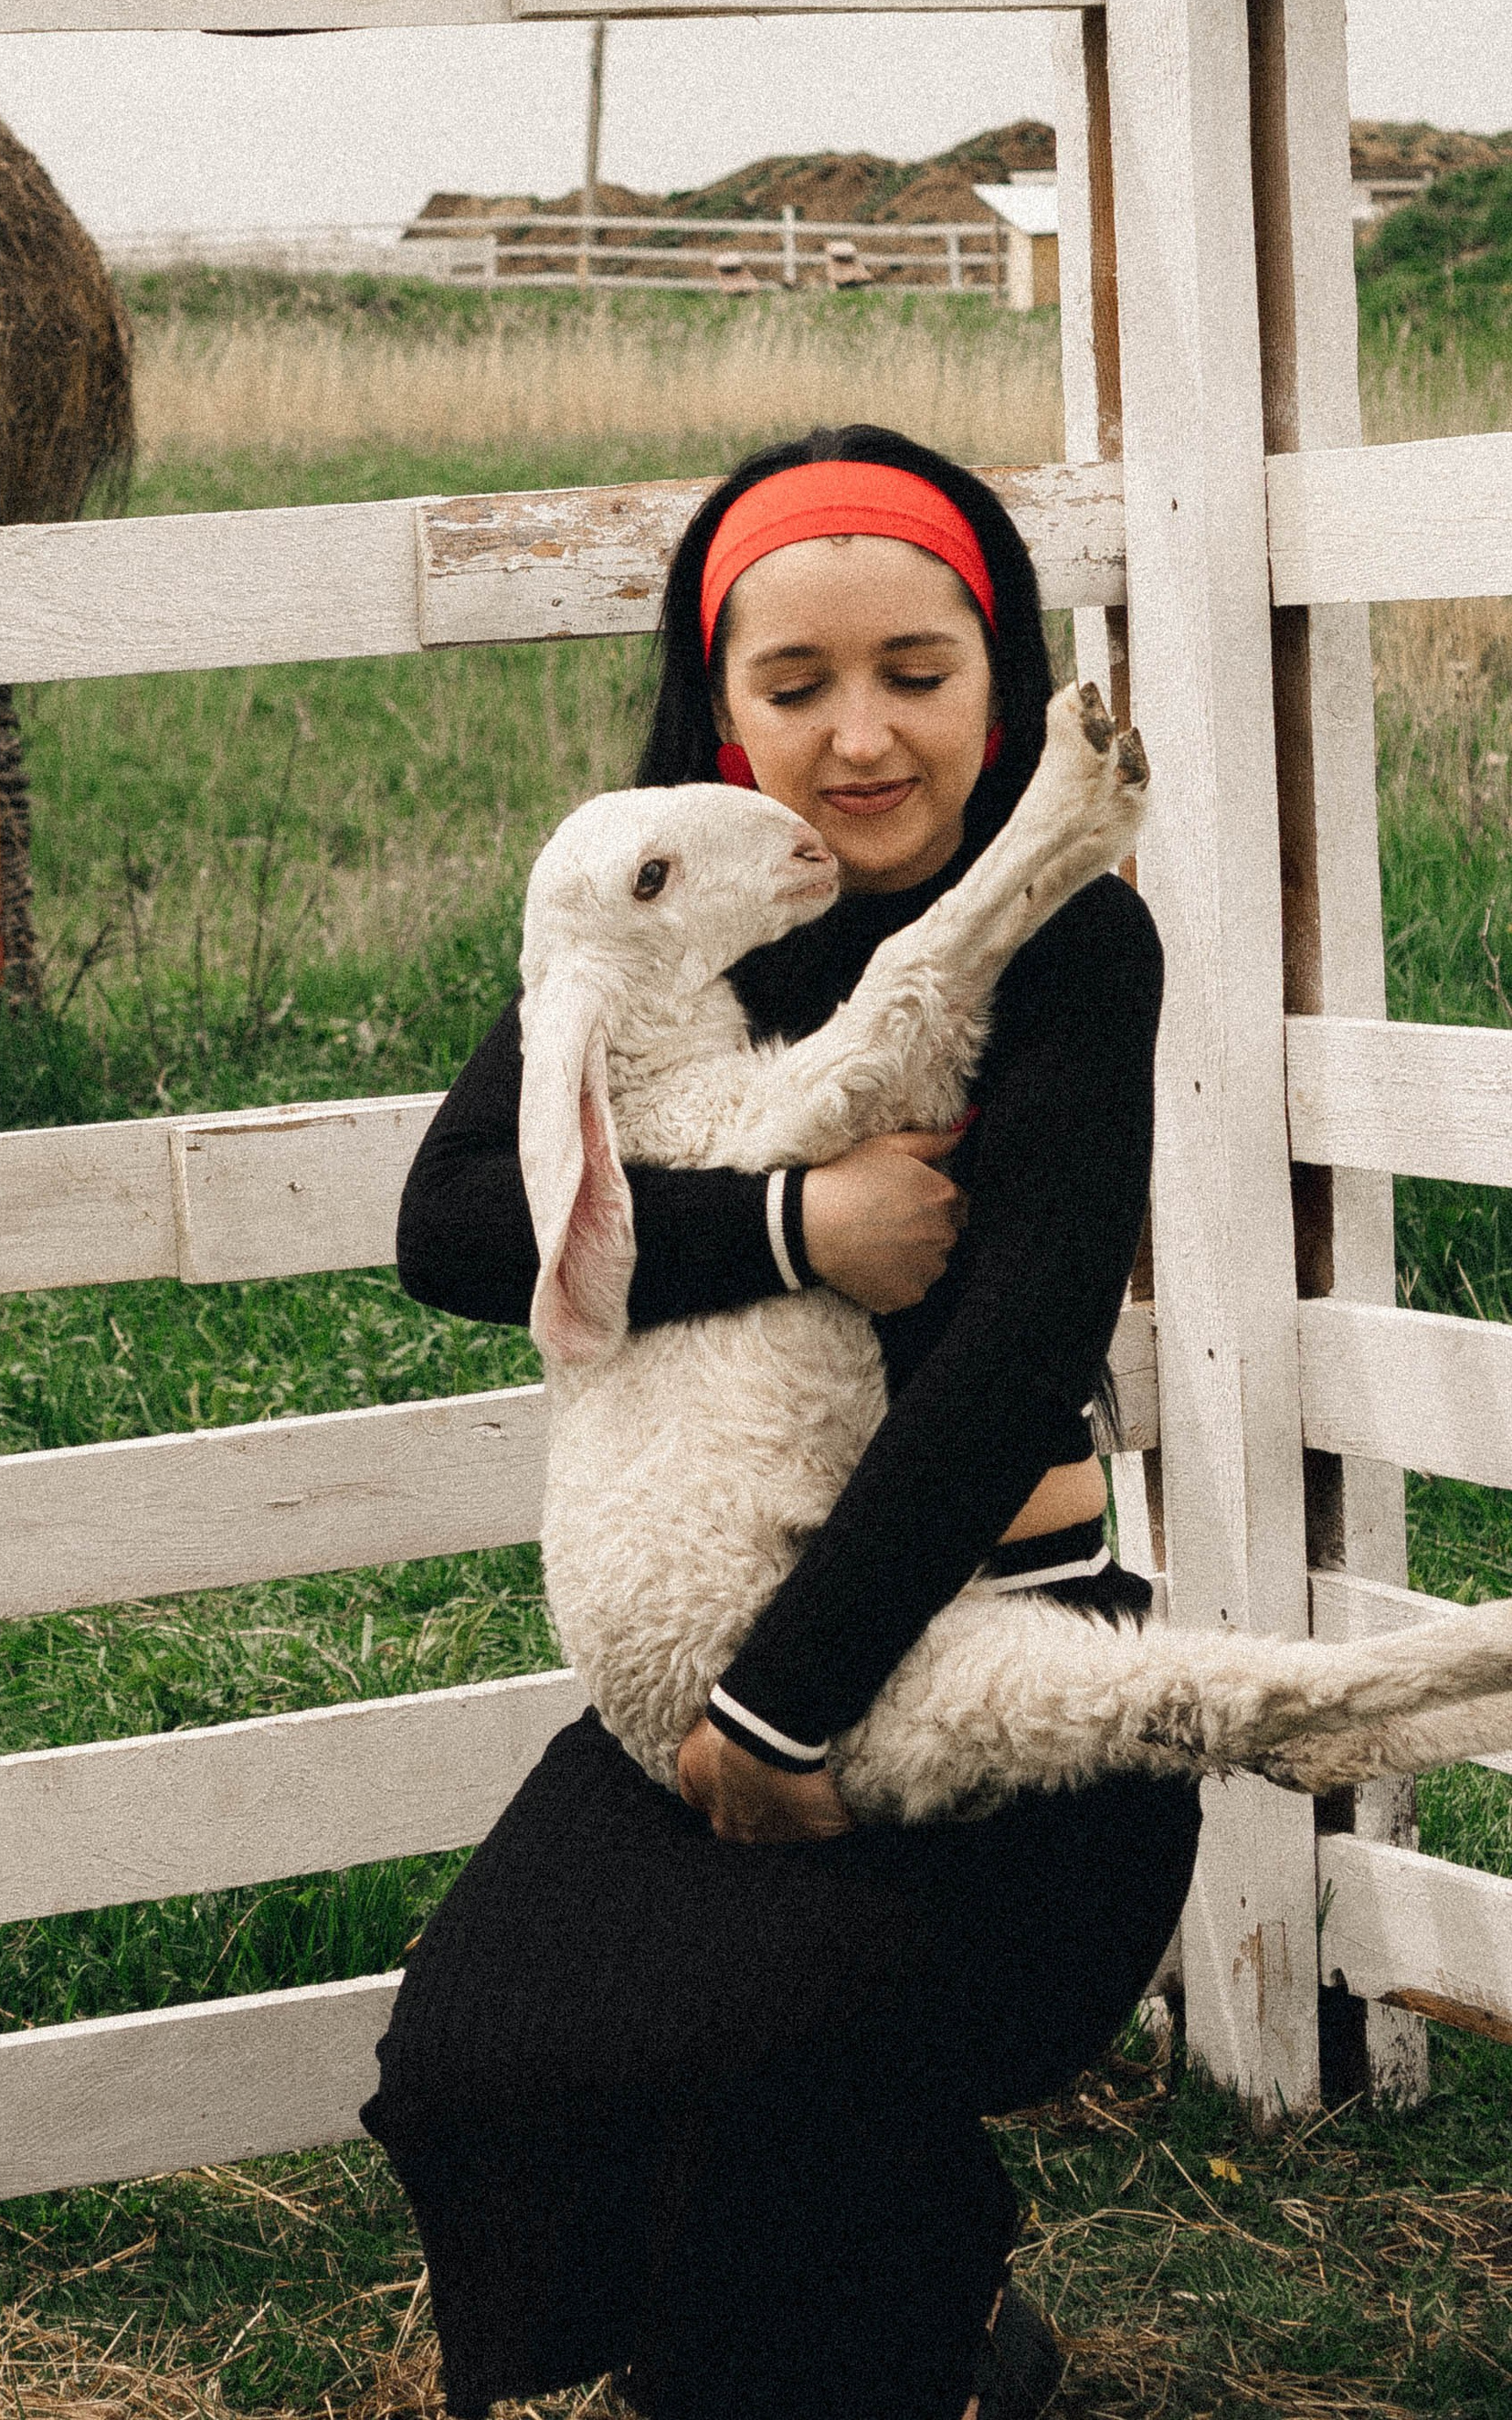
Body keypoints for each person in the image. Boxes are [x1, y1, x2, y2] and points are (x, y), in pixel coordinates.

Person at [361, 425, 1200, 2420]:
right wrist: (792, 1221)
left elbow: (1010, 1352)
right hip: (723, 1656)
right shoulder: (666, 911)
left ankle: (911, 2362)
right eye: (791, 683)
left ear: (995, 679)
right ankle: (870, 2333)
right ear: (713, 707)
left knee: (745, 2045)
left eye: (914, 672)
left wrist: (776, 1714)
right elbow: (457, 1222)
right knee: (477, 2057)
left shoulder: (1074, 947)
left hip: (991, 1664)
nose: (858, 739)